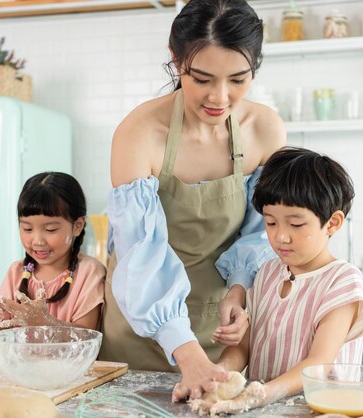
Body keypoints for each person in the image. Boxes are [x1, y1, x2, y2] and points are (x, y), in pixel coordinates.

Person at [99, 0, 286, 402]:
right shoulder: (139, 133)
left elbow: (262, 231)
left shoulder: (265, 130)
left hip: (218, 330)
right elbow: (139, 253)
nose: (219, 97)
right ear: (176, 60)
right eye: (202, 79)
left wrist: (238, 290)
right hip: (139, 326)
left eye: (238, 80)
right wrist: (186, 353)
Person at [196, 147, 363, 414]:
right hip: (267, 410)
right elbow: (243, 347)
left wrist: (259, 395)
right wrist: (219, 375)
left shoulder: (343, 283)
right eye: (271, 223)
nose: (281, 236)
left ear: (332, 223)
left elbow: (319, 362)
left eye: (295, 225)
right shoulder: (267, 274)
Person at [0, 172, 105, 338]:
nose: (37, 241)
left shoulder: (89, 272)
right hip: (24, 364)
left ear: (77, 226)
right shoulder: (17, 271)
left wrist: (45, 323)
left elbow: (87, 337)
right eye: (27, 229)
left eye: (50, 229)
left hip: (70, 364)